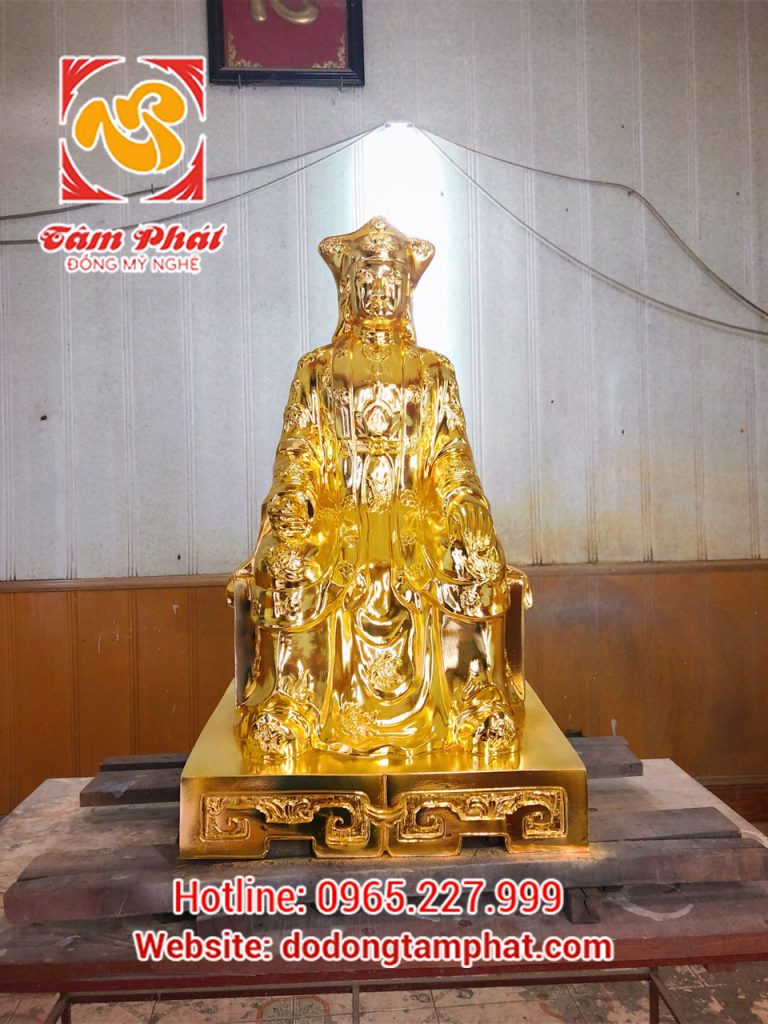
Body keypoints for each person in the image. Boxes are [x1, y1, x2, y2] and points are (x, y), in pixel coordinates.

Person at [228, 217, 529, 766]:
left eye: (392, 278)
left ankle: (473, 698)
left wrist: (464, 503)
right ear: (348, 288)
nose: (381, 289)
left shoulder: (433, 371)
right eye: (367, 278)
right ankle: (292, 703)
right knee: (285, 563)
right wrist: (295, 498)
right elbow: (298, 449)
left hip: (413, 526)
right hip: (338, 525)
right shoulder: (318, 370)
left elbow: (451, 454)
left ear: (407, 289)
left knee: (478, 556)